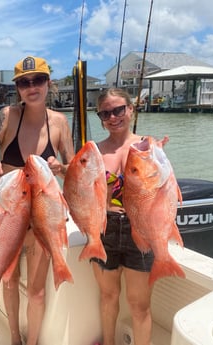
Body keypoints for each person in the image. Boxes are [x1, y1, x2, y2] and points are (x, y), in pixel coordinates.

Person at [0, 56, 75, 345]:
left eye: (38, 80)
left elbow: (73, 168)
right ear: (17, 88)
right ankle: (15, 338)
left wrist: (60, 168)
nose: (32, 87)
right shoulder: (6, 117)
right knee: (7, 279)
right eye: (24, 82)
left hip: (42, 216)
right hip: (7, 214)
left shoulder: (59, 123)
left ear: (48, 83)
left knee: (36, 290)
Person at [91, 88, 155, 345]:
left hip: (139, 228)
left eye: (118, 110)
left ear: (131, 109)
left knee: (139, 305)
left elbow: (162, 190)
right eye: (105, 113)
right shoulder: (93, 151)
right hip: (103, 230)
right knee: (108, 296)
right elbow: (81, 191)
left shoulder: (147, 147)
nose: (113, 117)